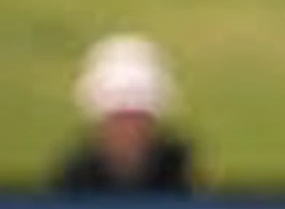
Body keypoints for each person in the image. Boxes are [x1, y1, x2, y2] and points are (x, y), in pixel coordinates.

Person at [52, 33, 197, 196]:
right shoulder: (74, 181)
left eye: (138, 117)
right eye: (119, 118)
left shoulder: (180, 174)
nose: (128, 128)